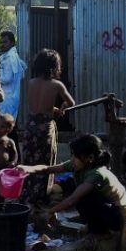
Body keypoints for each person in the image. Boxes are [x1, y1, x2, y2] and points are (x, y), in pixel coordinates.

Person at [18, 134, 126, 251]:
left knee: (85, 197)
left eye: (75, 156)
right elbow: (48, 169)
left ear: (90, 158)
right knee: (81, 195)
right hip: (106, 209)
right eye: (72, 155)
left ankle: (101, 232)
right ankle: (94, 228)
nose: (72, 159)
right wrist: (28, 169)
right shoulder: (78, 165)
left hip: (117, 216)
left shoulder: (97, 174)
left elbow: (72, 200)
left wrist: (50, 211)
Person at [19, 48, 75, 206]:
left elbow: (37, 106)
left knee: (29, 160)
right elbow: (71, 102)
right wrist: (62, 107)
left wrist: (53, 109)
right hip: (45, 127)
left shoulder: (31, 83)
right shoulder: (56, 84)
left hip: (30, 124)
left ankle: (26, 194)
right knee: (45, 162)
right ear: (55, 66)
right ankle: (42, 196)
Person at [0, 31, 27, 122]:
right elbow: (24, 68)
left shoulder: (10, 58)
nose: (2, 44)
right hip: (12, 96)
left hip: (6, 98)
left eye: (5, 42)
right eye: (1, 42)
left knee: (4, 125)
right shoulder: (13, 56)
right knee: (9, 125)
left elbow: (8, 78)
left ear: (12, 43)